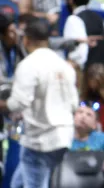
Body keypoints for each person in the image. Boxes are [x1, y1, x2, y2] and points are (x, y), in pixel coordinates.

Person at [0, 17, 78, 188]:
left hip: (40, 141)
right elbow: (74, 104)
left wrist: (2, 104)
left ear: (26, 39)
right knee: (18, 185)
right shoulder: (65, 65)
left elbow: (17, 104)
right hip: (64, 137)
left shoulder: (28, 65)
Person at [62, 0, 104, 69]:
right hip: (101, 73)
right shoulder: (99, 19)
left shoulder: (73, 20)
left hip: (83, 74)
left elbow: (79, 53)